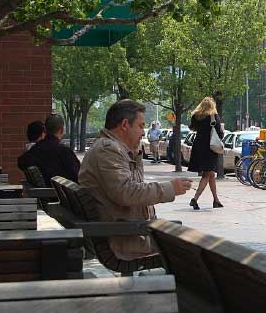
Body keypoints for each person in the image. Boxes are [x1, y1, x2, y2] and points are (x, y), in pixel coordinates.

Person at [79, 99, 193, 260]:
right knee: (194, 250)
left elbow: (129, 189)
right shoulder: (108, 150)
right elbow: (126, 192)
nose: (143, 132)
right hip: (124, 238)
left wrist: (135, 154)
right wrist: (170, 188)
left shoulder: (116, 149)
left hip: (126, 232)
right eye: (140, 126)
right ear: (125, 125)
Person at [17, 114, 80, 185]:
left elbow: (21, 161)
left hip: (46, 193)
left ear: (45, 130)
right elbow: (79, 176)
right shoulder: (64, 151)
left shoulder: (35, 150)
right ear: (62, 130)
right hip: (60, 194)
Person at [188, 97, 224, 210]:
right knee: (207, 174)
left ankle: (216, 200)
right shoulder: (213, 116)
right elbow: (220, 133)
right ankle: (195, 199)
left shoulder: (196, 116)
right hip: (210, 148)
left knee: (211, 174)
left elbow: (192, 128)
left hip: (198, 146)